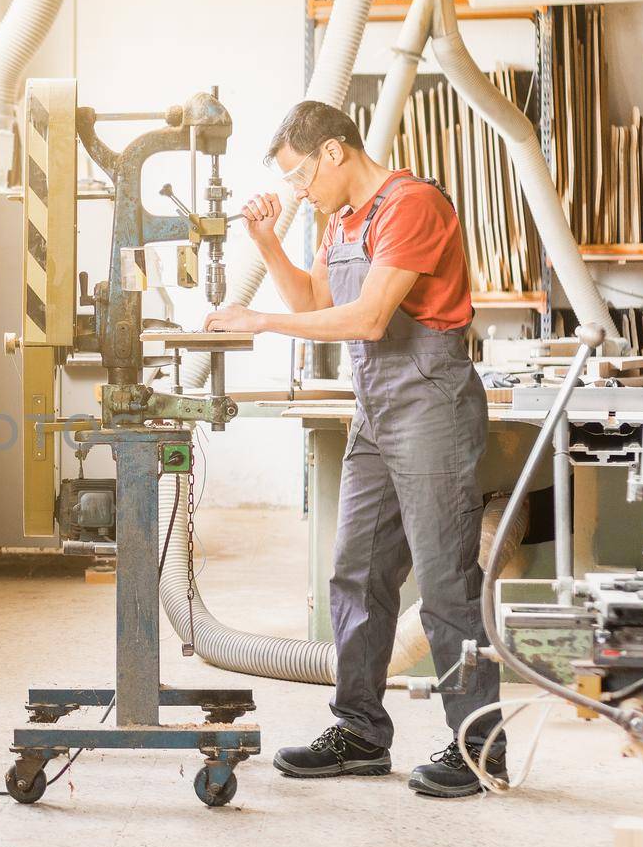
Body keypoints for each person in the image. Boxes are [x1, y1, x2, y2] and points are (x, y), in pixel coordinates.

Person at [204, 100, 502, 799]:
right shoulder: (339, 220)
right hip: (376, 409)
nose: (299, 190)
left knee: (445, 581)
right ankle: (361, 730)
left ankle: (479, 748)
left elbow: (368, 317)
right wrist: (269, 244)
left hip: (431, 404)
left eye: (301, 175)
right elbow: (313, 298)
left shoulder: (410, 205)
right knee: (356, 573)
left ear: (334, 152)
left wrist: (259, 320)